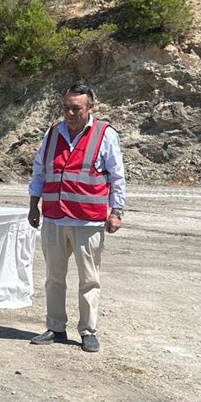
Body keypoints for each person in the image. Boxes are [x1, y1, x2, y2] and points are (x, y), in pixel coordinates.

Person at [27, 83, 126, 353]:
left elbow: (117, 176)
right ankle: (55, 327)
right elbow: (39, 171)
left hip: (88, 220)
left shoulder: (104, 134)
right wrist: (34, 205)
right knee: (53, 277)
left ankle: (88, 331)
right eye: (66, 108)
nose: (70, 113)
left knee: (89, 279)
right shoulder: (52, 134)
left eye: (76, 108)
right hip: (54, 218)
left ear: (90, 108)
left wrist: (116, 211)